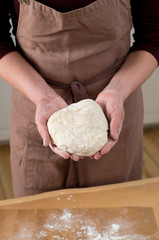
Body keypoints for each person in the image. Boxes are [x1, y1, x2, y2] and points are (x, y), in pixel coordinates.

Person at [0, 0, 158, 198]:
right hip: (36, 110)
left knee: (117, 216)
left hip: (115, 111)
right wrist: (43, 96)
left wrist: (117, 91)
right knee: (38, 220)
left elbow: (154, 35)